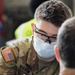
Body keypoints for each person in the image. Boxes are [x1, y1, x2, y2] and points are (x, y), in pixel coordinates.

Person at [0, 0, 72, 75]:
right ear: (33, 28)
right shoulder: (14, 53)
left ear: (64, 36)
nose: (47, 42)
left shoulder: (70, 59)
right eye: (42, 34)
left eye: (55, 37)